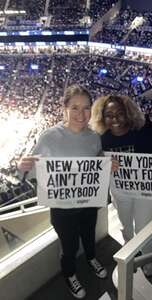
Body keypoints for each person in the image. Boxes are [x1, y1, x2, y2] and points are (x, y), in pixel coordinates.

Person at [17, 85, 108, 299]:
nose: (81, 114)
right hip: (62, 208)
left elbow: (97, 166)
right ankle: (70, 275)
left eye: (86, 108)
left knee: (88, 236)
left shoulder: (94, 137)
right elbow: (32, 171)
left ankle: (91, 258)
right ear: (64, 108)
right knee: (69, 247)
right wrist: (23, 166)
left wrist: (106, 165)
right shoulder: (49, 137)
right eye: (75, 107)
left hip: (88, 203)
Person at [90, 94, 152, 277]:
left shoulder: (141, 130)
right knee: (126, 226)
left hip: (146, 191)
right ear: (102, 116)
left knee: (145, 228)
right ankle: (130, 246)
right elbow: (94, 165)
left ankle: (148, 258)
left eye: (120, 113)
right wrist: (103, 163)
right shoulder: (100, 138)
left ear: (128, 113)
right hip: (120, 192)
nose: (115, 119)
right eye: (109, 114)